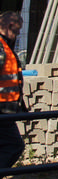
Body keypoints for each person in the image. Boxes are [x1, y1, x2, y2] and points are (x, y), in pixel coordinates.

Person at [0, 11, 25, 169]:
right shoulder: (1, 48)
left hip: (6, 110)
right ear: (9, 26)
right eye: (16, 31)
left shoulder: (4, 46)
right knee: (14, 146)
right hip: (1, 110)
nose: (17, 35)